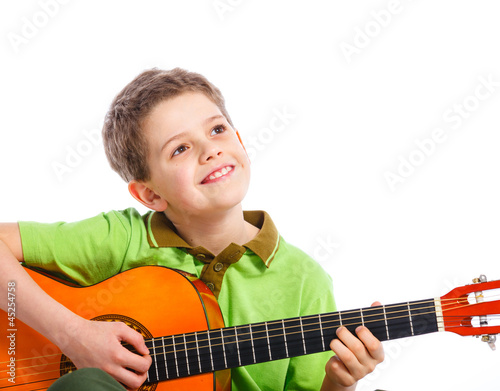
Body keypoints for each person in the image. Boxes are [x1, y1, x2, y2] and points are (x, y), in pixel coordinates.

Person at [0, 68, 384, 390]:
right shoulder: (124, 237)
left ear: (240, 141)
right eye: (179, 149)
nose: (210, 150)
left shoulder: (304, 280)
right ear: (150, 194)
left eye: (217, 130)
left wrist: (339, 383)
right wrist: (72, 335)